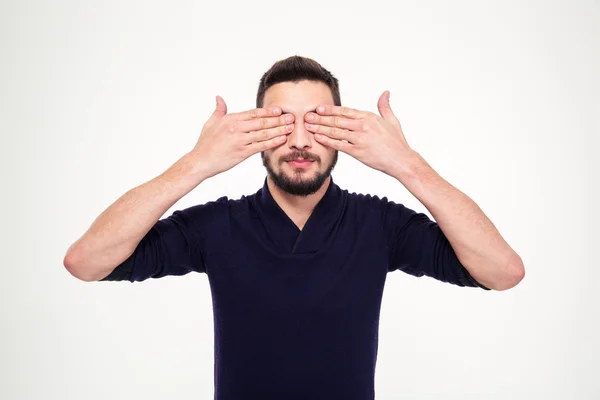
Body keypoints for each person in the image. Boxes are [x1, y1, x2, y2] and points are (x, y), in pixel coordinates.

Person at [63, 55, 525, 400]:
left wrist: (407, 164)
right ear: (255, 130)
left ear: (345, 129)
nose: (301, 141)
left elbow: (502, 271)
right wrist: (195, 164)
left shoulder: (379, 224)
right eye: (282, 123)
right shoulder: (218, 226)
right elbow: (86, 261)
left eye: (318, 123)